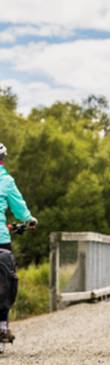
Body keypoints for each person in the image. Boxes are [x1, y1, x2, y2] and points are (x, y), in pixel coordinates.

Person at [0, 143, 38, 342]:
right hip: (1, 239)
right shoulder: (6, 180)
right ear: (3, 160)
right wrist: (29, 220)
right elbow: (19, 208)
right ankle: (3, 326)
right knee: (5, 282)